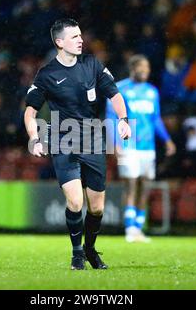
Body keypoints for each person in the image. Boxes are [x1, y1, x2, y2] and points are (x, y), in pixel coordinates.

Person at [24, 18, 131, 270]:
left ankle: (91, 250)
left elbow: (114, 94)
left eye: (81, 35)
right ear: (59, 42)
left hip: (93, 139)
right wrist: (35, 137)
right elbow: (30, 112)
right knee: (75, 203)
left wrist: (124, 120)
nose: (81, 40)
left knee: (97, 208)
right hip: (63, 140)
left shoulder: (92, 65)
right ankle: (77, 253)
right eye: (74, 37)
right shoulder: (47, 74)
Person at [106, 55, 176, 243]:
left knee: (145, 187)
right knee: (130, 185)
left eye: (147, 68)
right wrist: (115, 143)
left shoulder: (152, 91)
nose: (145, 71)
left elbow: (156, 119)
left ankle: (138, 228)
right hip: (128, 144)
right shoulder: (120, 89)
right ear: (132, 68)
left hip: (148, 146)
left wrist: (167, 140)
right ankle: (129, 229)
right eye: (142, 68)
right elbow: (112, 117)